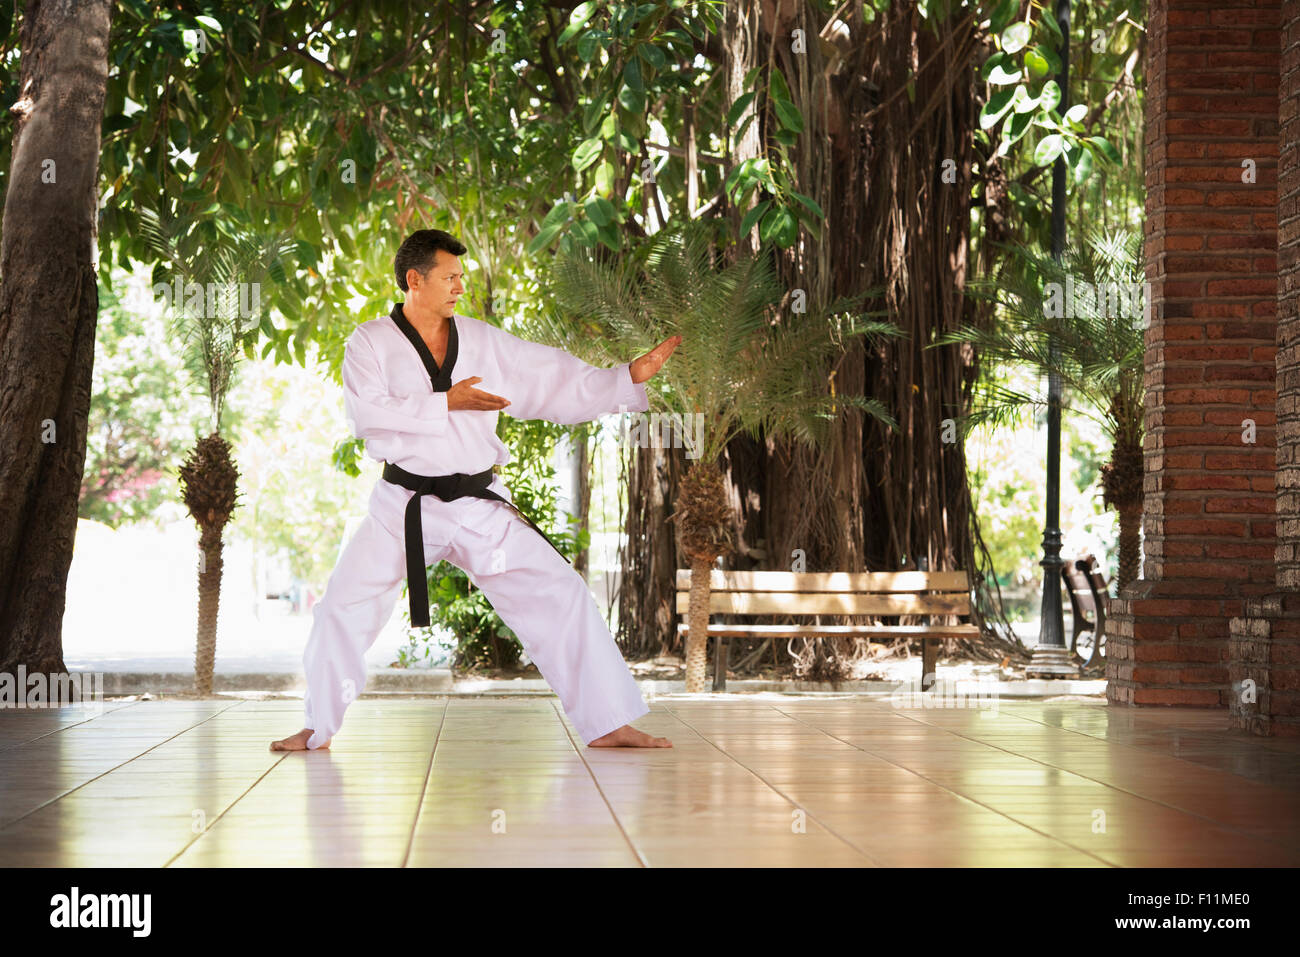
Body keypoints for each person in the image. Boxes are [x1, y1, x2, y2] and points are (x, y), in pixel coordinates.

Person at [271, 229, 681, 751]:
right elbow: (367, 415)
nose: (459, 287)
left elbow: (550, 378)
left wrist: (625, 378)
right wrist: (446, 402)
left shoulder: (482, 341)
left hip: (477, 503)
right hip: (404, 505)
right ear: (413, 280)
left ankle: (609, 723)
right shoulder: (369, 342)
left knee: (563, 593)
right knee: (340, 608)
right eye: (449, 276)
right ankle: (317, 726)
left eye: (461, 277)